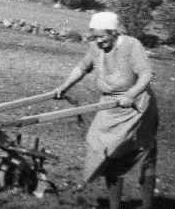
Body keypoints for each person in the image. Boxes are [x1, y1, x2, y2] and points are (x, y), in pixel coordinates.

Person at [53, 11, 159, 209]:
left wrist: (131, 94)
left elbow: (146, 74)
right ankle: (114, 206)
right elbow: (82, 68)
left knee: (143, 154)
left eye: (101, 36)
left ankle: (147, 206)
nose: (98, 41)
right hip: (109, 107)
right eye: (94, 37)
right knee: (104, 152)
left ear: (114, 32)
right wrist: (63, 87)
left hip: (137, 107)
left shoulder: (131, 45)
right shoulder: (95, 47)